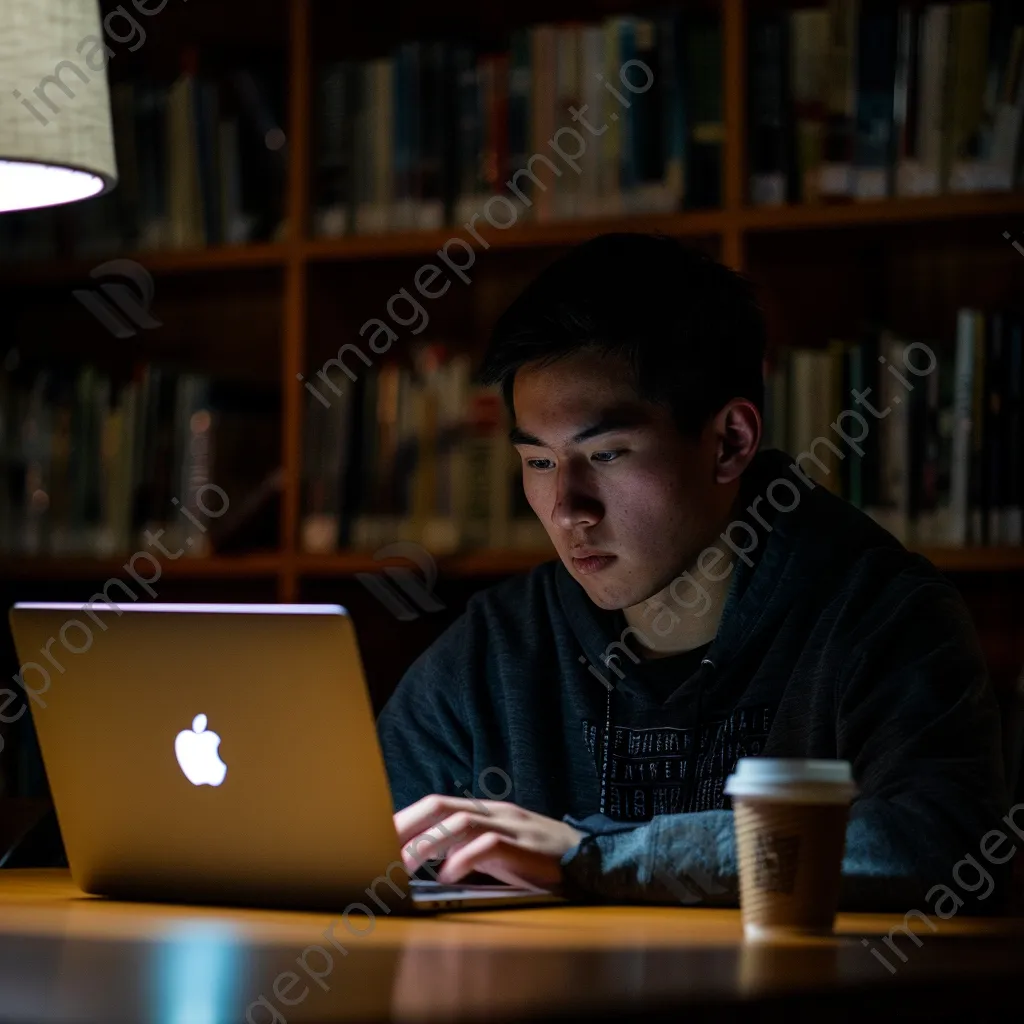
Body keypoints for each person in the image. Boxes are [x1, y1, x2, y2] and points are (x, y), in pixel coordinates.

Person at [377, 233, 1012, 910]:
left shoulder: (881, 617)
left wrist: (592, 858)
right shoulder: (496, 649)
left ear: (731, 442)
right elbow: (358, 840)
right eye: (539, 462)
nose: (567, 510)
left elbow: (944, 847)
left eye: (610, 454)